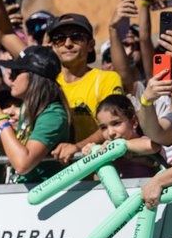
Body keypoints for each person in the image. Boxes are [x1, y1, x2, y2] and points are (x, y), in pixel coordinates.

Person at [0, 46, 71, 183]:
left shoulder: (53, 114)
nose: (10, 78)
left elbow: (23, 164)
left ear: (35, 76)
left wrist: (1, 119)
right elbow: (14, 159)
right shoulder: (28, 109)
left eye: (16, 73)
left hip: (45, 195)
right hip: (24, 192)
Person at [45, 13, 124, 164]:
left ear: (91, 45)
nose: (67, 43)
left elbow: (114, 125)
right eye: (59, 38)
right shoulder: (47, 83)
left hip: (96, 176)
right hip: (53, 179)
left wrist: (77, 147)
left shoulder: (106, 79)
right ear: (53, 46)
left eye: (76, 37)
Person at [81, 95, 164, 178]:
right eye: (103, 127)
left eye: (116, 123)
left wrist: (118, 147)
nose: (110, 133)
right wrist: (95, 157)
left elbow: (153, 146)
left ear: (134, 122)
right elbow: (98, 180)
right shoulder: (106, 148)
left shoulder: (144, 141)